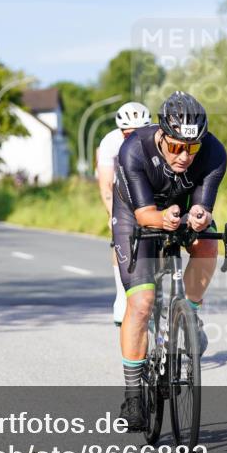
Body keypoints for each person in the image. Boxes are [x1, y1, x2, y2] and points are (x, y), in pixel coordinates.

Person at [111, 91, 227, 430]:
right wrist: (162, 219)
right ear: (161, 135)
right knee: (143, 302)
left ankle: (189, 317)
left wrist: (201, 217)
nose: (185, 156)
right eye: (177, 147)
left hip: (179, 208)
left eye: (192, 148)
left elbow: (204, 205)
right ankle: (133, 395)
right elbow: (146, 213)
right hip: (136, 213)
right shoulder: (133, 150)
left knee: (208, 244)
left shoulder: (214, 152)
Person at [96, 101, 152, 327]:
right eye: (128, 133)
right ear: (120, 131)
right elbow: (106, 185)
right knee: (119, 235)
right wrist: (111, 215)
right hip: (121, 192)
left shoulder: (156, 137)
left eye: (139, 133)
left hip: (150, 189)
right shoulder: (110, 142)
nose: (133, 137)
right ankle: (122, 293)